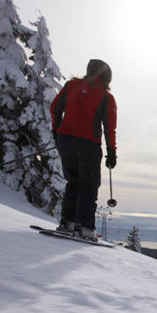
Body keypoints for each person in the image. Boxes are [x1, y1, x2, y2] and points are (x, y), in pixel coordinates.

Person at [50, 59, 117, 241]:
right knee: (88, 186)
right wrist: (111, 153)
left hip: (66, 141)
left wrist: (57, 131)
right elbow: (109, 127)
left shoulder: (71, 86)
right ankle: (86, 228)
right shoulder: (106, 97)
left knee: (73, 182)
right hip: (88, 145)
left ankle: (67, 223)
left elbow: (55, 107)